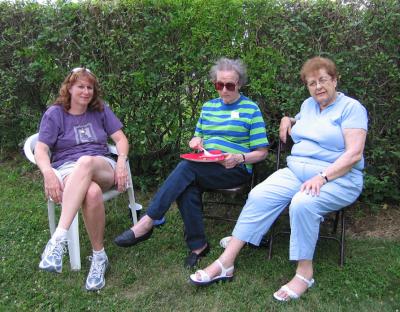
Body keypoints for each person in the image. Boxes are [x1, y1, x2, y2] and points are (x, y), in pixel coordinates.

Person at [189, 56, 368, 302]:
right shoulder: (308, 105)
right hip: (297, 172)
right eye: (311, 83)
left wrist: (323, 177)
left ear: (335, 80)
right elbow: (303, 122)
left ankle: (304, 273)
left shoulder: (352, 109)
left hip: (338, 177)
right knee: (259, 194)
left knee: (303, 203)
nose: (318, 87)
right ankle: (225, 262)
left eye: (323, 80)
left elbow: (354, 153)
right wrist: (289, 119)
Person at [114, 57, 269, 268]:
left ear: (239, 84)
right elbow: (198, 138)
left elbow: (262, 152)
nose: (224, 90)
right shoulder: (208, 107)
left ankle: (148, 221)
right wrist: (196, 141)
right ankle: (198, 246)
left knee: (187, 170)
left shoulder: (251, 109)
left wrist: (240, 158)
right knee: (187, 184)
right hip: (207, 165)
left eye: (230, 85)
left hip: (235, 168)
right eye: (219, 85)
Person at [35, 67, 129, 291]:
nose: (86, 91)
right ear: (69, 87)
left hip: (101, 165)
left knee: (86, 161)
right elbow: (40, 149)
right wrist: (48, 173)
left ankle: (58, 239)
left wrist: (122, 161)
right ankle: (99, 256)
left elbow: (121, 139)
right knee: (92, 193)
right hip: (67, 169)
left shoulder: (100, 110)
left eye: (90, 87)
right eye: (81, 86)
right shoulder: (54, 114)